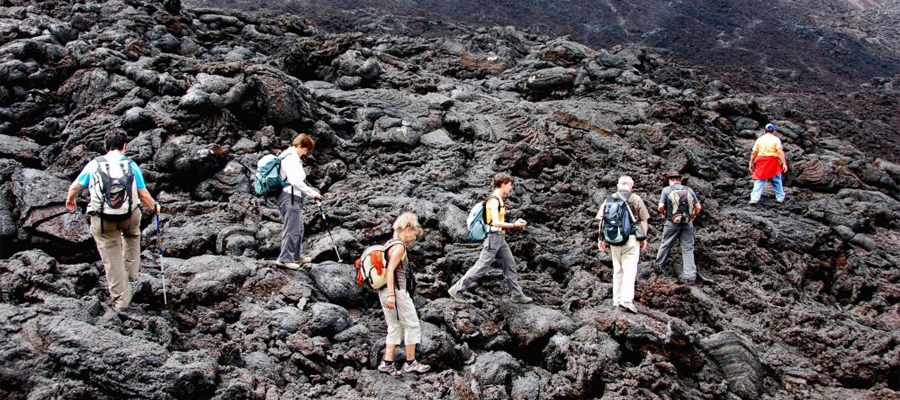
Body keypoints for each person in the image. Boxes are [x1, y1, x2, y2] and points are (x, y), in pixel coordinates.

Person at [64, 130, 161, 311]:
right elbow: (142, 192)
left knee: (111, 256)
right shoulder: (131, 165)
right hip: (129, 216)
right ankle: (131, 276)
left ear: (105, 145)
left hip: (103, 219)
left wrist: (71, 200)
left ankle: (122, 301)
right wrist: (154, 206)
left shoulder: (94, 165)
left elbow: (75, 187)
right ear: (124, 146)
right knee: (132, 236)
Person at [448, 173, 532, 304]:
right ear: (503, 184)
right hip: (493, 238)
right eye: (509, 185)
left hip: (500, 238)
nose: (511, 187)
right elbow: (495, 222)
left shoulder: (499, 200)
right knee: (481, 266)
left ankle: (517, 294)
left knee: (510, 265)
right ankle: (456, 290)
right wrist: (515, 225)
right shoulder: (493, 201)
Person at [377, 212, 431, 377]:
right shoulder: (399, 247)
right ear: (407, 228)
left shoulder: (389, 243)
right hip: (397, 291)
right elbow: (391, 271)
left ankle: (386, 363)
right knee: (412, 324)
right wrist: (393, 295)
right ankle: (410, 363)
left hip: (384, 291)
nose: (414, 237)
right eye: (414, 233)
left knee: (395, 326)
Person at [597, 176, 650, 313]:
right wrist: (643, 239)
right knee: (629, 269)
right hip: (631, 239)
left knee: (618, 269)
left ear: (618, 185)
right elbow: (644, 221)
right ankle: (626, 300)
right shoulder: (635, 198)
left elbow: (602, 220)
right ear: (631, 186)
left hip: (614, 239)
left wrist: (601, 239)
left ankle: (616, 299)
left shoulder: (609, 199)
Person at [275, 133, 322, 270]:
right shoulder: (291, 159)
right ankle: (284, 259)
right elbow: (295, 181)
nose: (305, 153)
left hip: (291, 196)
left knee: (298, 226)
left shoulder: (288, 156)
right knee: (292, 228)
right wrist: (312, 193)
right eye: (305, 150)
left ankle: (297, 255)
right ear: (300, 146)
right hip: (288, 196)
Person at [655, 171, 702, 284]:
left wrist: (663, 213)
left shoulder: (666, 190)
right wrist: (693, 216)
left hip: (672, 222)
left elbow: (661, 206)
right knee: (688, 248)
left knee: (666, 244)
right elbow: (698, 206)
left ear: (670, 180)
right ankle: (690, 277)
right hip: (687, 222)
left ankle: (658, 267)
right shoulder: (688, 189)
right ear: (679, 180)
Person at [748, 123, 788, 205]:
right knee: (776, 179)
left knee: (759, 179)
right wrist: (784, 163)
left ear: (765, 131)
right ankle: (780, 197)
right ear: (773, 131)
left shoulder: (760, 139)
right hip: (772, 160)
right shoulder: (776, 139)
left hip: (761, 161)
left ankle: (754, 198)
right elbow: (779, 152)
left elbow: (754, 152)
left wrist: (751, 163)